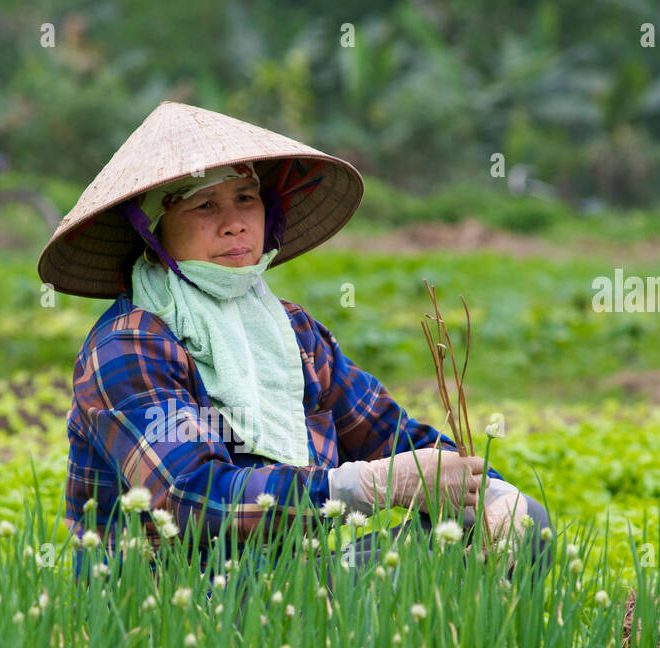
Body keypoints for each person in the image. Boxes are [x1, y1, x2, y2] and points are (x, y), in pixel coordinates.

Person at [37, 101, 551, 583]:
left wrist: (489, 489)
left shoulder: (291, 332)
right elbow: (189, 497)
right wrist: (367, 486)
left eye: (245, 198)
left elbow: (389, 433)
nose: (235, 222)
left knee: (525, 522)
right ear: (153, 229)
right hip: (174, 592)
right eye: (202, 205)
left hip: (289, 576)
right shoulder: (130, 345)